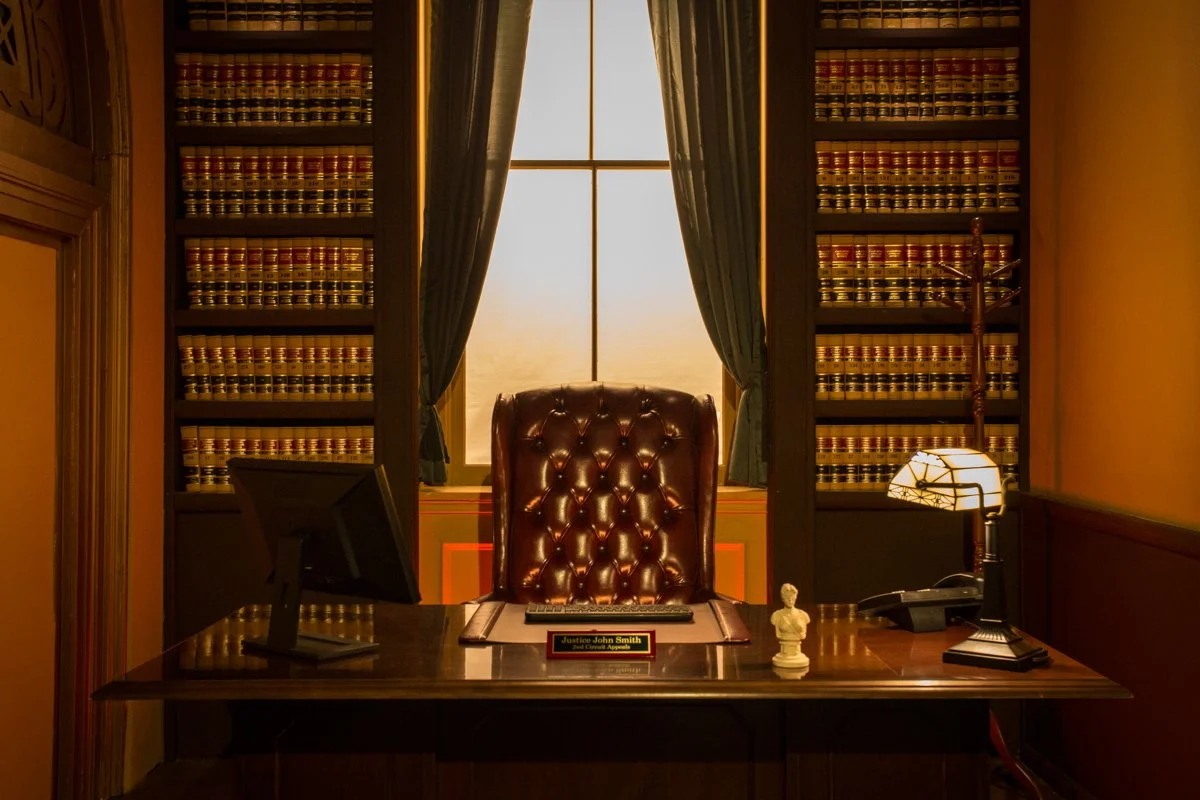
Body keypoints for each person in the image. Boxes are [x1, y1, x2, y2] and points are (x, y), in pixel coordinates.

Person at [770, 583, 810, 668]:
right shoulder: (777, 615)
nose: (790, 600)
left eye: (793, 598)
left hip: (797, 650)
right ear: (782, 599)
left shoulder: (803, 615)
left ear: (796, 598)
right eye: (787, 598)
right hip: (784, 652)